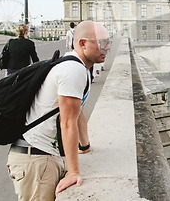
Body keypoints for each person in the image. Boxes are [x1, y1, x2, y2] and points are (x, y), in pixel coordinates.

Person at [6, 21, 110, 200]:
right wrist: (73, 171)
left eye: (109, 42)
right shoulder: (74, 69)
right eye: (102, 43)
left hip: (34, 154)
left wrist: (84, 146)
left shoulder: (75, 65)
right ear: (83, 43)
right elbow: (68, 122)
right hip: (37, 158)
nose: (107, 48)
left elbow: (78, 113)